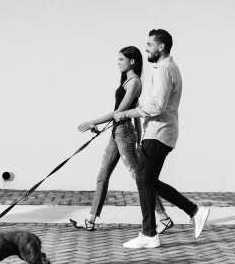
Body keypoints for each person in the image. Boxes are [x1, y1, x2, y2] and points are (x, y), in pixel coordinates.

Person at [113, 29, 210, 248]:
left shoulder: (165, 69)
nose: (146, 48)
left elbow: (157, 106)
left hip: (159, 132)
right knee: (147, 180)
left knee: (142, 178)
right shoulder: (164, 68)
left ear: (161, 47)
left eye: (149, 44)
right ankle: (194, 210)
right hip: (158, 132)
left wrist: (127, 113)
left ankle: (150, 234)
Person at [70, 46, 173, 233]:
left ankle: (164, 218)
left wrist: (92, 122)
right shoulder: (126, 81)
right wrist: (138, 135)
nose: (118, 63)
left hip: (124, 134)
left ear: (132, 61)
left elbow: (120, 112)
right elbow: (134, 113)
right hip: (118, 133)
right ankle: (91, 220)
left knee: (140, 178)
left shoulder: (134, 82)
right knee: (103, 176)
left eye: (121, 60)